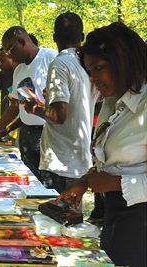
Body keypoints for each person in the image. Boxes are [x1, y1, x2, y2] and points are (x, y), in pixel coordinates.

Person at [57, 22, 146, 267]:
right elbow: (114, 159)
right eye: (89, 72)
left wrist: (115, 183)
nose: (94, 79)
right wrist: (85, 181)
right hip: (116, 217)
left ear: (123, 60)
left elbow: (122, 175)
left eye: (98, 69)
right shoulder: (113, 98)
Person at [0, 26, 57, 181]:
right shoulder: (19, 70)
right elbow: (14, 107)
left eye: (11, 50)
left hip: (48, 133)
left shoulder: (50, 57)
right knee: (30, 182)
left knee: (49, 184)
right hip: (26, 133)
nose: (10, 56)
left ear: (22, 42)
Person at [23, 12, 96, 193]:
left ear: (54, 37)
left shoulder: (60, 63)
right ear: (82, 36)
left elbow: (59, 115)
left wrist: (35, 108)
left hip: (60, 161)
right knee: (69, 217)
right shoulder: (88, 64)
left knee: (56, 218)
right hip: (79, 157)